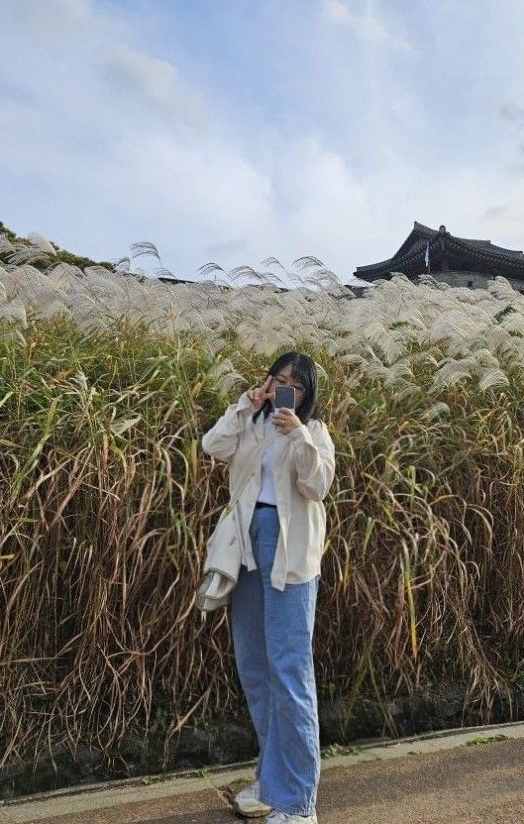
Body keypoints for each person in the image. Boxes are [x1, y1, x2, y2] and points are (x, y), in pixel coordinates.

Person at [201, 351, 336, 824]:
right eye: (276, 380)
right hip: (246, 546)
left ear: (307, 394)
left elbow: (317, 485)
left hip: (290, 551)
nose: (282, 390)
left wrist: (297, 434)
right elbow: (213, 447)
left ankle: (299, 803)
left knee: (290, 670)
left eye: (293, 386)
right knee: (255, 667)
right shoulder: (250, 424)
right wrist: (244, 404)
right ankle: (271, 780)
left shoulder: (313, 434)